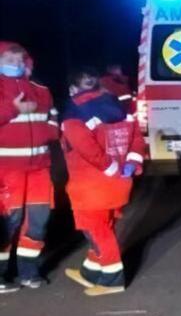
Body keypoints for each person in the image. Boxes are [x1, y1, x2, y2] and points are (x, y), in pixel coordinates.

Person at [60, 67, 145, 295]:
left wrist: (111, 169)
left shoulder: (74, 114)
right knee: (105, 227)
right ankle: (90, 272)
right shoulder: (120, 108)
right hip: (119, 183)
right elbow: (137, 139)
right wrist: (131, 163)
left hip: (91, 186)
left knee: (97, 232)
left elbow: (88, 150)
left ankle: (112, 280)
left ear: (73, 89)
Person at [0, 41, 57, 293]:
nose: (16, 65)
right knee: (7, 222)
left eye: (19, 60)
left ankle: (29, 272)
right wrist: (12, 108)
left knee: (38, 220)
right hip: (7, 168)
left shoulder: (40, 89)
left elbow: (52, 115)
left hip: (39, 167)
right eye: (9, 60)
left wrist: (51, 132)